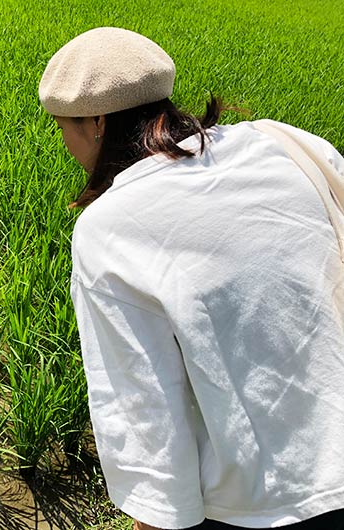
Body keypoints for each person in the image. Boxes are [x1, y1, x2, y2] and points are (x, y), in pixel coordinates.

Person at [38, 27, 344, 530]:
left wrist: (152, 520)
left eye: (62, 127)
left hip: (268, 502)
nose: (66, 143)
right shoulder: (285, 143)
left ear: (95, 122)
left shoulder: (110, 229)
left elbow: (146, 416)